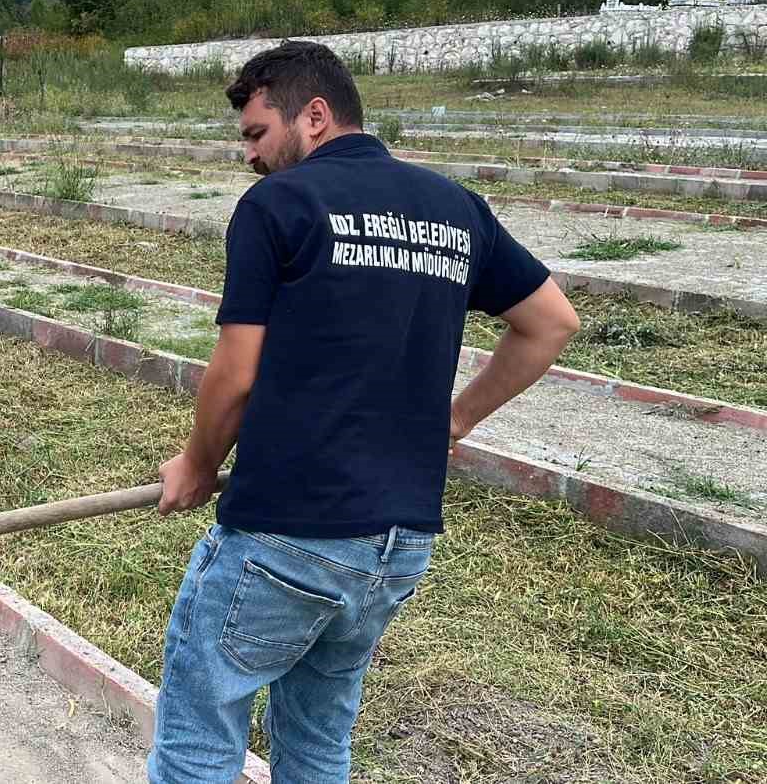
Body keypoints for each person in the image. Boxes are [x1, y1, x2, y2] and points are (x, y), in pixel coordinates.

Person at [149, 41, 580, 784]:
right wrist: (457, 419)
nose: (248, 157)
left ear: (313, 116)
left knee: (197, 738)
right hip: (396, 546)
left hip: (287, 534)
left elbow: (236, 372)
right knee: (317, 743)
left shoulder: (279, 205)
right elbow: (551, 323)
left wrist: (196, 465)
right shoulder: (454, 208)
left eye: (256, 134)